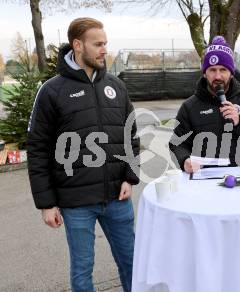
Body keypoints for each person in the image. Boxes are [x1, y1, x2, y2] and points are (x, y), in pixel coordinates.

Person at [27, 17, 139, 292]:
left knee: (133, 263)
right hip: (76, 203)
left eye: (106, 44)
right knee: (82, 272)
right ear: (78, 45)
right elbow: (38, 149)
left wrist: (130, 177)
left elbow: (131, 137)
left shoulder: (116, 86)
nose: (104, 50)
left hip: (117, 198)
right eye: (98, 44)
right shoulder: (52, 91)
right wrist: (46, 203)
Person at [169, 36, 240, 173]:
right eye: (212, 70)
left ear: (231, 73)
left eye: (223, 70)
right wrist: (184, 160)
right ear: (205, 73)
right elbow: (177, 143)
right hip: (203, 179)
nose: (217, 76)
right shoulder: (190, 106)